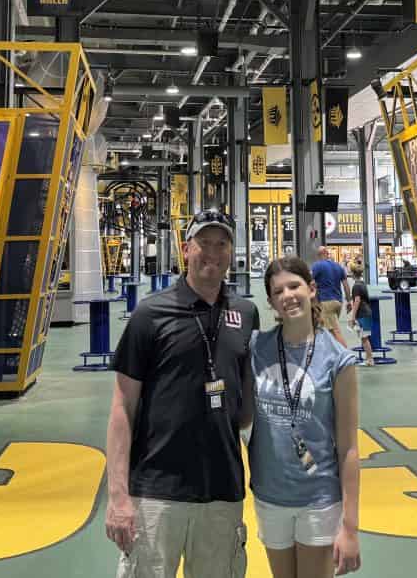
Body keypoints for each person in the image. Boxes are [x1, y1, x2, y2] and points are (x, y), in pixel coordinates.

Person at [106, 209, 260, 578]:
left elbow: (247, 402)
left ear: (232, 251)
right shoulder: (150, 314)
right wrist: (118, 497)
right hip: (157, 491)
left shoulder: (246, 312)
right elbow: (122, 408)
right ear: (185, 249)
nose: (213, 252)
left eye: (221, 243)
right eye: (203, 243)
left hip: (222, 488)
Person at [249, 256, 361, 578]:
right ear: (271, 301)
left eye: (294, 286)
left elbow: (349, 448)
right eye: (278, 291)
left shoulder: (338, 360)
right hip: (270, 495)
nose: (288, 295)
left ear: (311, 289)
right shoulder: (257, 348)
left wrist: (350, 528)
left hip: (318, 499)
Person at [310, 247, 349, 347]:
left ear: (319, 255)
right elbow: (346, 285)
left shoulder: (317, 265)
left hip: (326, 302)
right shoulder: (338, 266)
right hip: (338, 303)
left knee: (334, 331)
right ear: (328, 254)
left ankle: (346, 356)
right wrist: (349, 301)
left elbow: (308, 280)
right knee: (326, 330)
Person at [346, 263, 374, 368]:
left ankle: (370, 359)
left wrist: (353, 316)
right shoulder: (362, 283)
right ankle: (369, 358)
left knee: (364, 338)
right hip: (365, 313)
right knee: (364, 337)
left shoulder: (356, 286)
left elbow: (357, 300)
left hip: (363, 314)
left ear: (353, 273)